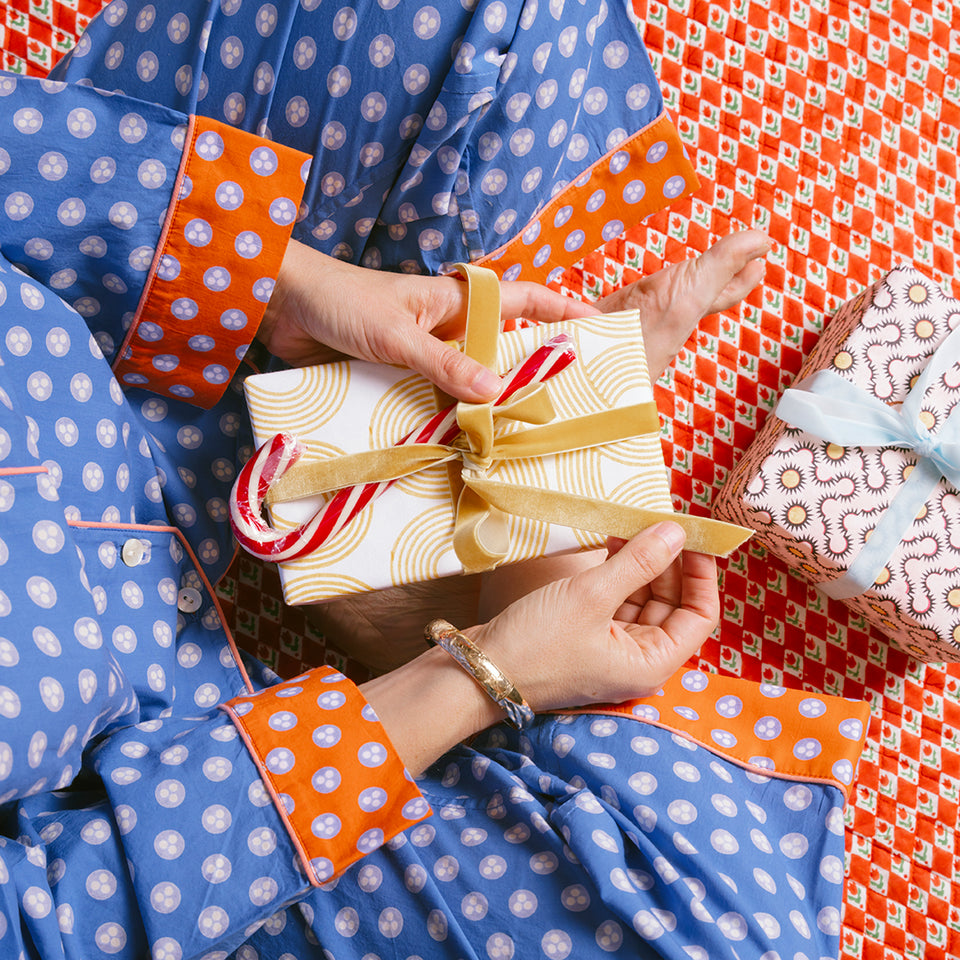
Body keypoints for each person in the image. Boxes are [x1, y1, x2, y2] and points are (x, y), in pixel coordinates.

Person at [0, 2, 867, 958]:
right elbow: (67, 923)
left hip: (140, 320)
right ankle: (547, 482)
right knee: (728, 941)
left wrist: (282, 279)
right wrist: (474, 679)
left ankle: (542, 444)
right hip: (199, 760)